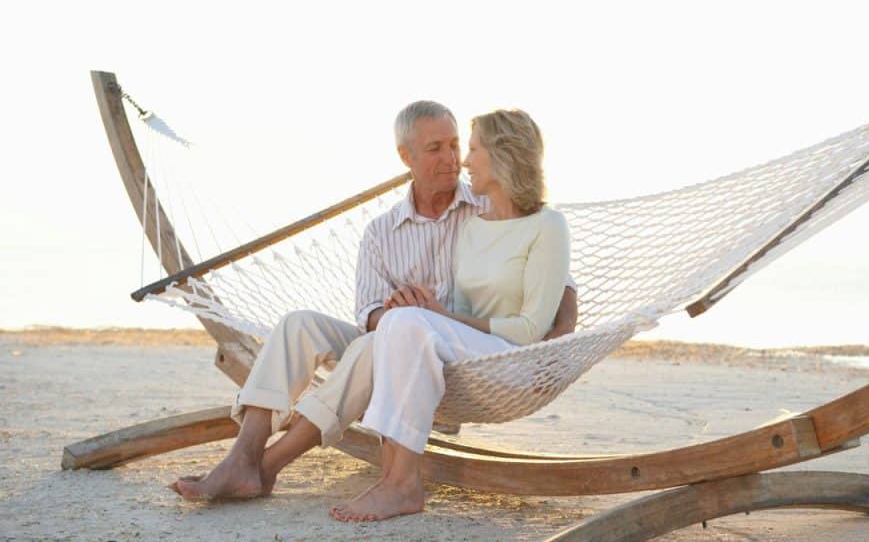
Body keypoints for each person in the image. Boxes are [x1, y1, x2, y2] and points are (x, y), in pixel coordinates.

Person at [170, 101, 577, 500]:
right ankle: (244, 455)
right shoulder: (381, 233)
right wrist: (394, 308)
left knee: (376, 342)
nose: (453, 159)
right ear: (406, 156)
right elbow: (367, 311)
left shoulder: (488, 205)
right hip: (396, 337)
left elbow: (555, 281)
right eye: (436, 149)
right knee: (300, 325)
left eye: (456, 145)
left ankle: (266, 466)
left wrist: (553, 348)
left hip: (452, 353)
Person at [331, 109, 570, 522]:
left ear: (501, 156)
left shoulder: (548, 226)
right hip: (471, 362)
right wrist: (437, 313)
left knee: (408, 320)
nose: (463, 160)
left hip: (516, 362)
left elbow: (532, 328)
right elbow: (457, 309)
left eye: (471, 148)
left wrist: (441, 317)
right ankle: (395, 478)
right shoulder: (474, 227)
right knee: (400, 319)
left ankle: (401, 483)